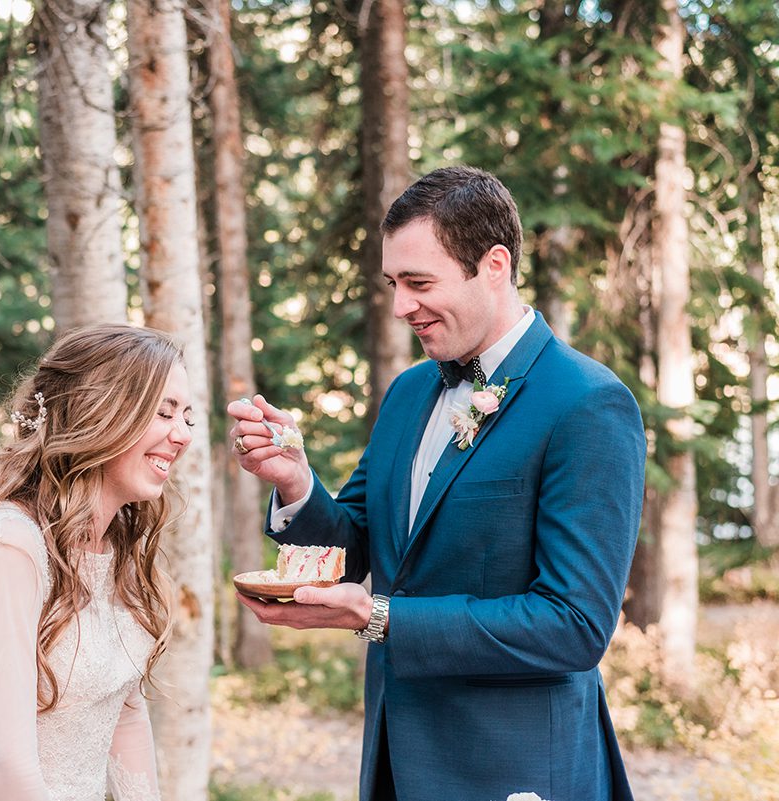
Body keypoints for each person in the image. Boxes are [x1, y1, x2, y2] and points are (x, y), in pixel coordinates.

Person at [229, 167, 646, 801]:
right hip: (398, 760)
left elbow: (575, 625)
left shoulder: (587, 404)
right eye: (394, 284)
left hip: (518, 771)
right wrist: (293, 481)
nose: (401, 307)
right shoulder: (408, 393)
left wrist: (381, 617)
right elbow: (358, 545)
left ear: (495, 266)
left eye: (420, 283)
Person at [0, 323, 195, 801]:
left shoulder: (119, 550)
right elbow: (5, 764)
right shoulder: (9, 544)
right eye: (163, 413)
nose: (182, 435)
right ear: (100, 413)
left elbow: (123, 714)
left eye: (188, 417)